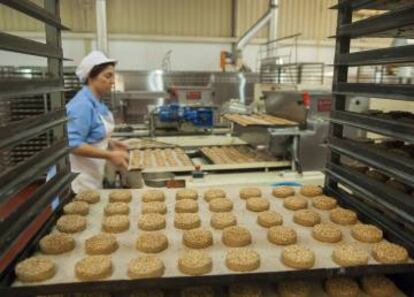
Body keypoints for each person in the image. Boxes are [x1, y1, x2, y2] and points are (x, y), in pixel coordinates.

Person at [64, 51, 129, 193]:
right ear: (90, 77)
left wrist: (110, 142)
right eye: (107, 76)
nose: (112, 81)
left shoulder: (97, 102)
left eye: (113, 76)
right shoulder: (81, 105)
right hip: (77, 179)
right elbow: (72, 145)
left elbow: (92, 134)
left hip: (91, 174)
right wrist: (110, 155)